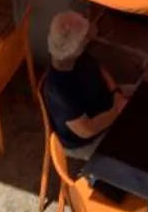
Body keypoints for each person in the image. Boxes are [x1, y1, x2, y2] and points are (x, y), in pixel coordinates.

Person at [43, 13, 129, 161]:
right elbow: (87, 129)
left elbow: (100, 70)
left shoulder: (76, 58)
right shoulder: (59, 92)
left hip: (109, 102)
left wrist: (116, 92)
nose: (90, 39)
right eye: (85, 39)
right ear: (76, 48)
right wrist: (117, 110)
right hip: (88, 141)